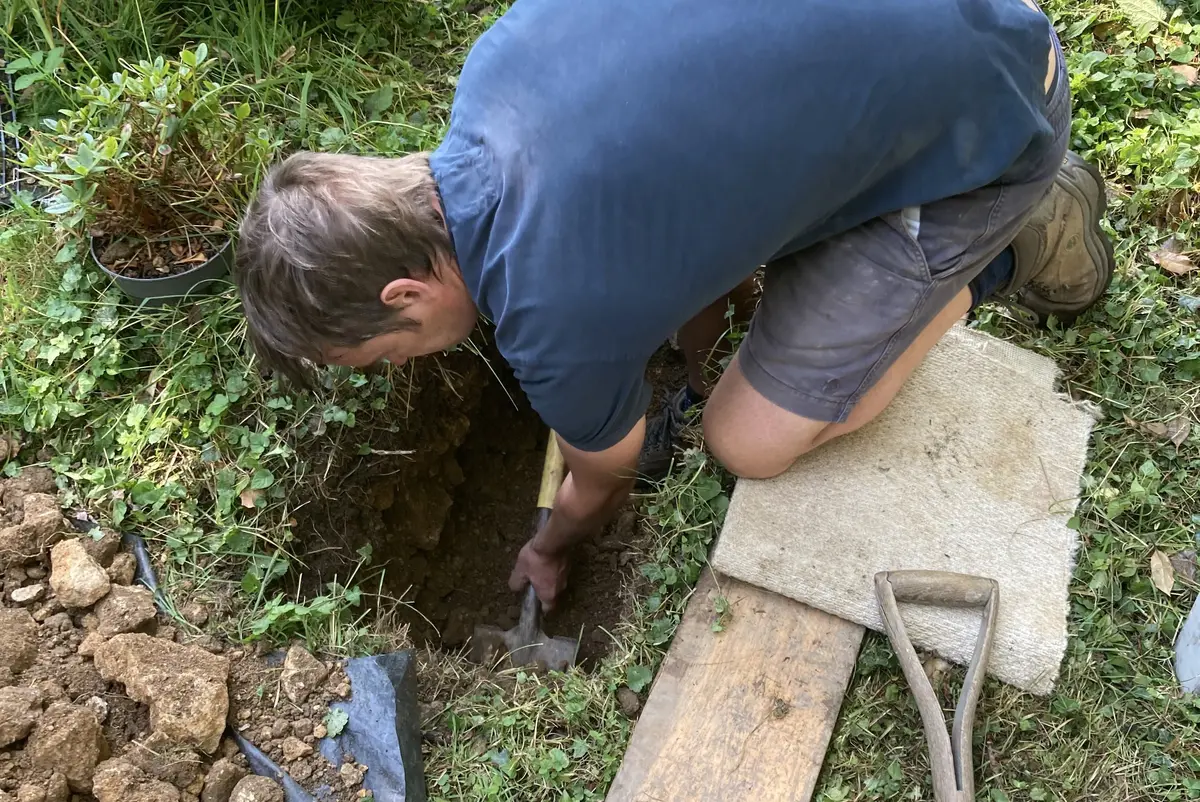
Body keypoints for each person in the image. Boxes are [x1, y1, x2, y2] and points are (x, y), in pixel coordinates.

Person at [234, 0, 1114, 612]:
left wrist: (550, 546)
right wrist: (694, 358)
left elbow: (605, 473)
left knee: (746, 440)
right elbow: (682, 232)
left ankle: (1018, 240)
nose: (409, 363)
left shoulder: (553, 322)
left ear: (405, 292)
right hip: (967, 29)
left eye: (390, 352)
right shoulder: (496, 67)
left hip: (993, 122)